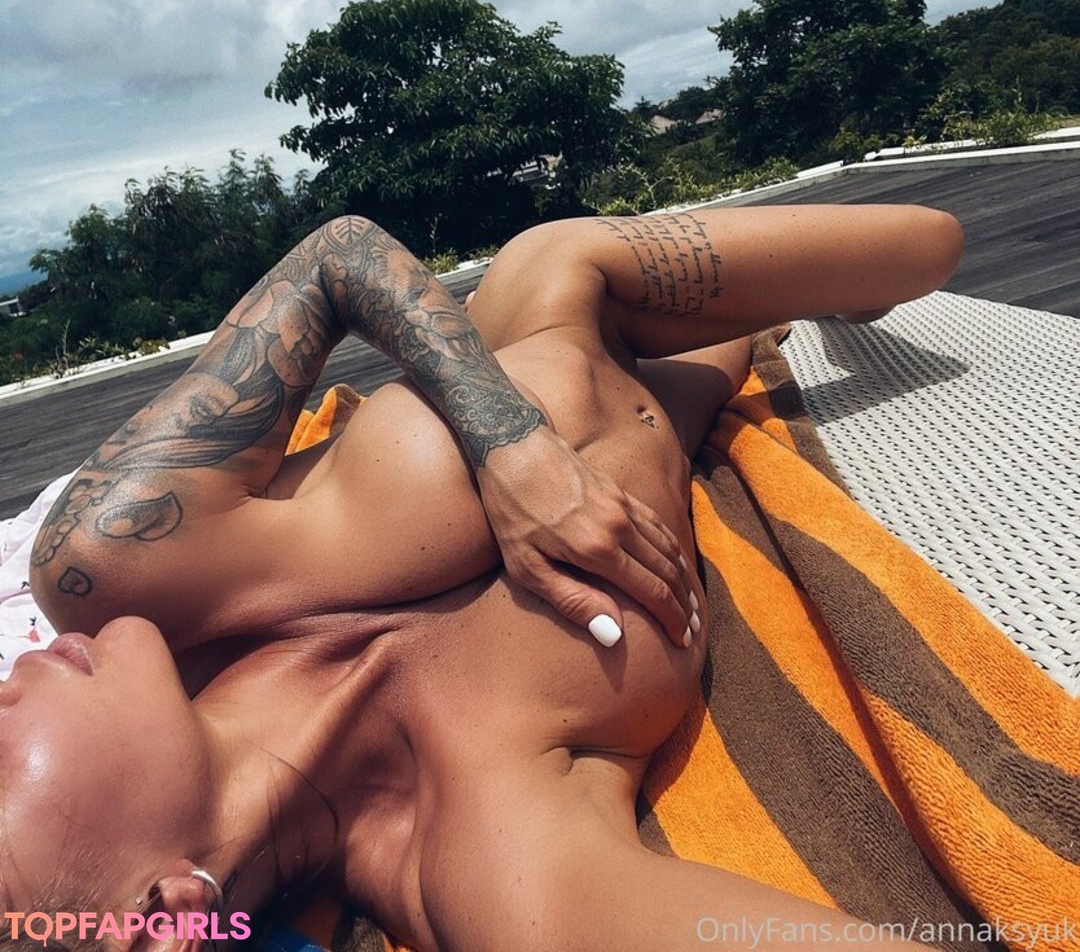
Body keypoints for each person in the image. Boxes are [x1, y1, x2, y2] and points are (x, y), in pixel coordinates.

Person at [3, 203, 964, 952]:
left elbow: (338, 255)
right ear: (164, 914)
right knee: (887, 269)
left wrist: (508, 439)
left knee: (930, 246)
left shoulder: (115, 560)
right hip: (681, 399)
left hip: (567, 283)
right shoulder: (492, 866)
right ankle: (775, 313)